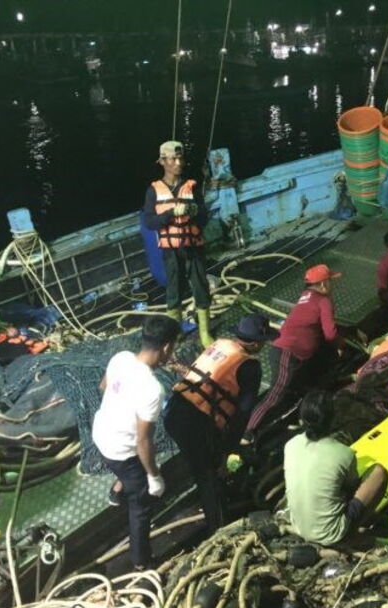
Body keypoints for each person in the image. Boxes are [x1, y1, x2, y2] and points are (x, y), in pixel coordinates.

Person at [164, 313, 277, 534]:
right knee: (210, 474)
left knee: (201, 460)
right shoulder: (249, 366)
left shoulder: (220, 344)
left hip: (174, 409)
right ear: (255, 343)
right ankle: (219, 529)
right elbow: (242, 413)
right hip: (195, 421)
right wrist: (228, 451)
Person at [91, 315, 180, 570]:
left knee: (126, 470)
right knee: (141, 505)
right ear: (166, 347)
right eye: (173, 346)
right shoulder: (153, 389)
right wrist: (155, 476)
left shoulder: (121, 358)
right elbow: (143, 441)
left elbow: (103, 386)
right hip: (121, 450)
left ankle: (116, 490)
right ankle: (141, 561)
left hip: (101, 434)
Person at [243, 264, 345, 443]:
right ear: (323, 284)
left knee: (301, 387)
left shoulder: (306, 297)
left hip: (291, 354)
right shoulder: (323, 300)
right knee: (276, 393)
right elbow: (330, 333)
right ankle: (248, 431)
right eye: (330, 281)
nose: (332, 286)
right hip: (288, 353)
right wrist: (340, 346)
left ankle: (301, 418)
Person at [283, 390, 388, 546]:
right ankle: (352, 533)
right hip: (331, 535)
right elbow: (352, 487)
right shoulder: (343, 453)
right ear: (332, 419)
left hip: (299, 527)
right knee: (379, 473)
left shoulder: (290, 445)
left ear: (302, 418)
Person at [142, 140, 213, 347]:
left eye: (180, 158)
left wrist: (194, 212)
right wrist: (171, 213)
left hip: (193, 247)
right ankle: (176, 332)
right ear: (163, 162)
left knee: (201, 287)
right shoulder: (153, 191)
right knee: (174, 291)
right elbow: (150, 222)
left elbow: (204, 218)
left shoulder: (192, 187)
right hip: (171, 251)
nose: (178, 163)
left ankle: (205, 332)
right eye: (173, 159)